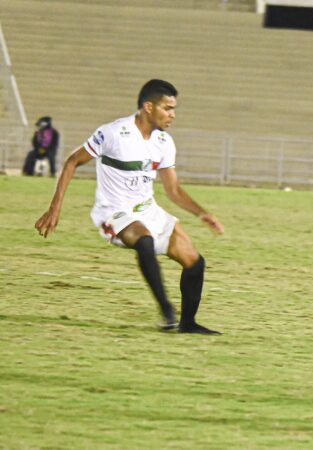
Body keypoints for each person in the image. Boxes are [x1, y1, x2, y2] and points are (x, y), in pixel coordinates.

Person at [34, 79, 225, 334]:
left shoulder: (164, 142)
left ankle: (187, 324)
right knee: (144, 240)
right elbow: (71, 162)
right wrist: (54, 208)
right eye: (167, 108)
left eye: (173, 109)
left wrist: (202, 213)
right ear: (149, 106)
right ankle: (167, 310)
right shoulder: (114, 132)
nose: (173, 115)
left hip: (148, 210)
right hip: (113, 212)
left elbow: (173, 190)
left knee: (195, 261)